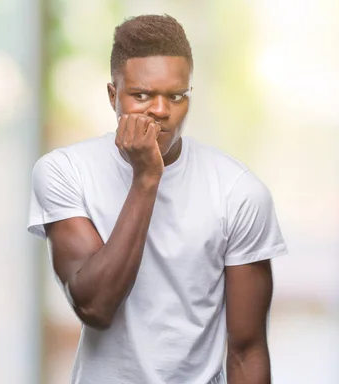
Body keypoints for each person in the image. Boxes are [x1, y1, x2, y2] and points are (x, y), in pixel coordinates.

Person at [27, 14, 287, 384]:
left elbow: (247, 350)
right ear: (113, 95)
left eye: (176, 96)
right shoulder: (65, 172)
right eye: (142, 95)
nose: (161, 111)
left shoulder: (239, 191)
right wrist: (146, 178)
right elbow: (94, 305)